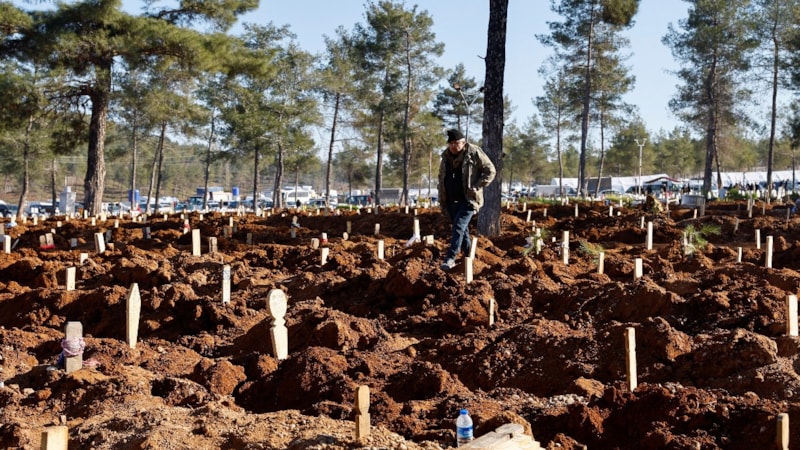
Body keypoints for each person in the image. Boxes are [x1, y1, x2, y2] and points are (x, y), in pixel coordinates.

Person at [437, 129, 496, 270]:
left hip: (469, 199)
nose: (453, 146)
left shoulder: (474, 153)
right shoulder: (445, 157)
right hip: (451, 200)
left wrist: (477, 185)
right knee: (462, 231)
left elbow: (490, 170)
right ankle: (469, 257)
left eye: (456, 143)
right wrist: (442, 200)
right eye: (450, 143)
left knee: (458, 226)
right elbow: (441, 179)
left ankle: (450, 258)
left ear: (463, 142)